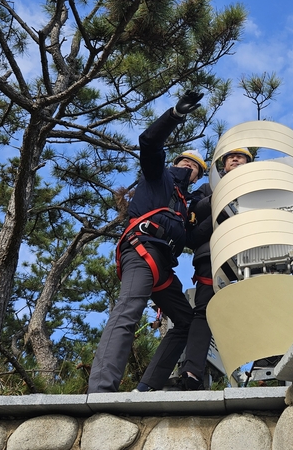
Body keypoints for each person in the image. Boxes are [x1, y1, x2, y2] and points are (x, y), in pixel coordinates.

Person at [88, 91, 206, 393]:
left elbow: (192, 238)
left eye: (197, 169)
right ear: (178, 162)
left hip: (163, 264)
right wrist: (175, 115)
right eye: (188, 164)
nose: (192, 170)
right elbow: (150, 143)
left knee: (186, 320)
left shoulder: (183, 207)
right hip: (142, 250)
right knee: (128, 311)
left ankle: (147, 388)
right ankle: (100, 391)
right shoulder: (159, 178)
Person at [178, 147, 253, 390]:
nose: (235, 159)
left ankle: (270, 363)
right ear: (224, 163)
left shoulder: (258, 186)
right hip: (214, 255)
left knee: (262, 303)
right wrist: (224, 202)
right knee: (204, 311)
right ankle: (192, 372)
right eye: (231, 156)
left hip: (254, 252)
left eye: (240, 156)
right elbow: (194, 213)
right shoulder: (210, 188)